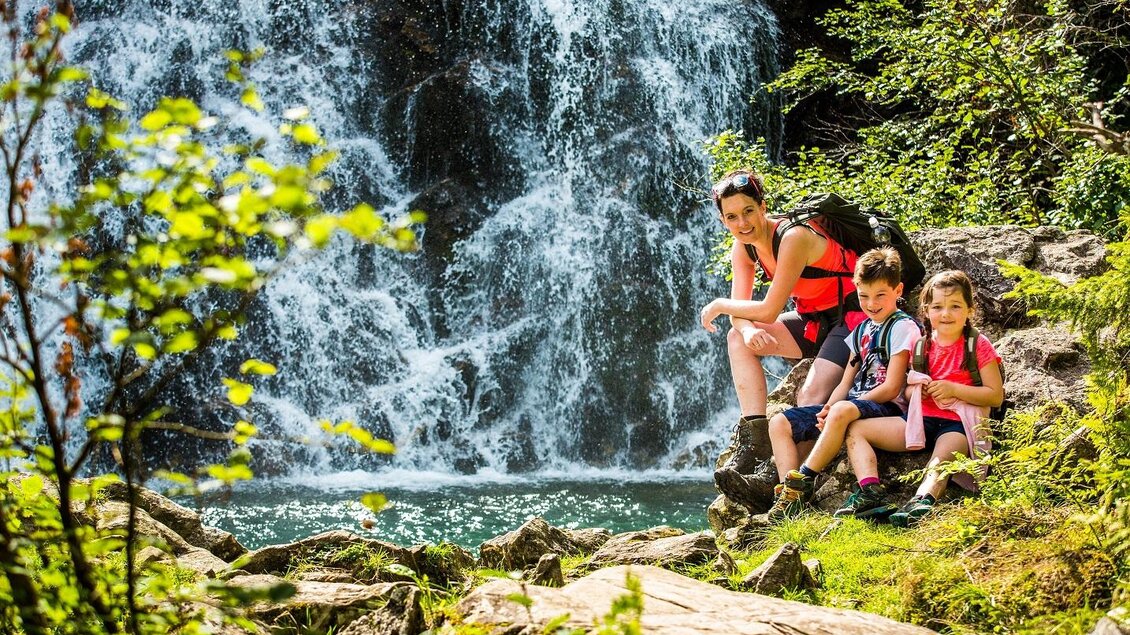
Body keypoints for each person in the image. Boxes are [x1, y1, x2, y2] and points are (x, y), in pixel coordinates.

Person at [699, 169, 866, 504]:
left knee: (810, 395)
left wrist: (718, 304)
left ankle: (781, 477)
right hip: (813, 324)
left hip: (853, 320)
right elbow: (742, 313)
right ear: (723, 220)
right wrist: (746, 329)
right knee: (736, 339)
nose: (743, 223)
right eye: (732, 217)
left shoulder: (793, 238)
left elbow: (770, 309)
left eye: (748, 211)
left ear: (763, 206)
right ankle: (756, 438)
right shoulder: (744, 249)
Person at [757, 247, 920, 521]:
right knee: (779, 423)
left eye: (880, 295)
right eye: (864, 295)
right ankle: (789, 495)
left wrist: (843, 407)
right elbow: (846, 380)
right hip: (850, 405)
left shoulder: (903, 327)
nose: (871, 303)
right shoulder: (862, 331)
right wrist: (827, 409)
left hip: (886, 408)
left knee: (843, 410)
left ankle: (803, 480)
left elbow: (892, 387)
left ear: (898, 290)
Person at [838, 270, 1004, 525]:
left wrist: (953, 389)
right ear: (926, 311)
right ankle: (869, 492)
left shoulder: (977, 345)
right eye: (937, 307)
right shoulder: (921, 345)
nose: (945, 314)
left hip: (957, 425)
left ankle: (922, 502)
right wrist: (917, 390)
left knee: (940, 459)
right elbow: (905, 392)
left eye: (955, 306)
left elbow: (995, 396)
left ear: (970, 310)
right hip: (919, 420)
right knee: (856, 429)